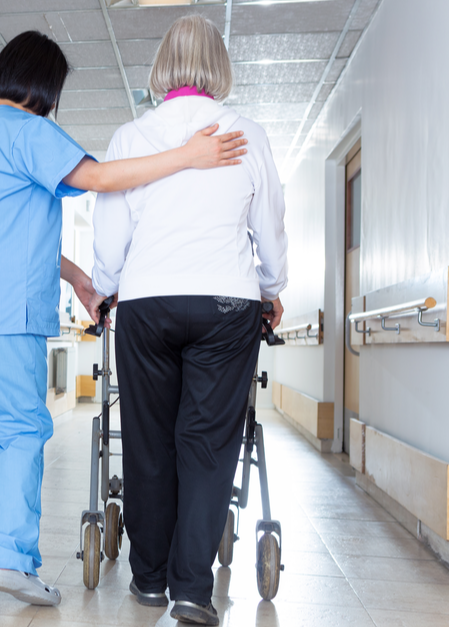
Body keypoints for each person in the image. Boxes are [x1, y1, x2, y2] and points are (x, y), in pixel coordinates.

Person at [0, 29, 249, 607]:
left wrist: (76, 278)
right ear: (45, 85)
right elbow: (98, 178)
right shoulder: (27, 130)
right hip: (1, 314)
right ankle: (11, 561)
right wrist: (189, 156)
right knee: (21, 429)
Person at [90, 15, 288, 626]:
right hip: (227, 303)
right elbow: (270, 228)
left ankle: (148, 580)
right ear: (220, 67)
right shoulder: (248, 133)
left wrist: (103, 291)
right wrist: (272, 289)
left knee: (149, 440)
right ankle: (192, 592)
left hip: (147, 304)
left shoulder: (131, 135)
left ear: (161, 69)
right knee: (206, 445)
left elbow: (109, 238)